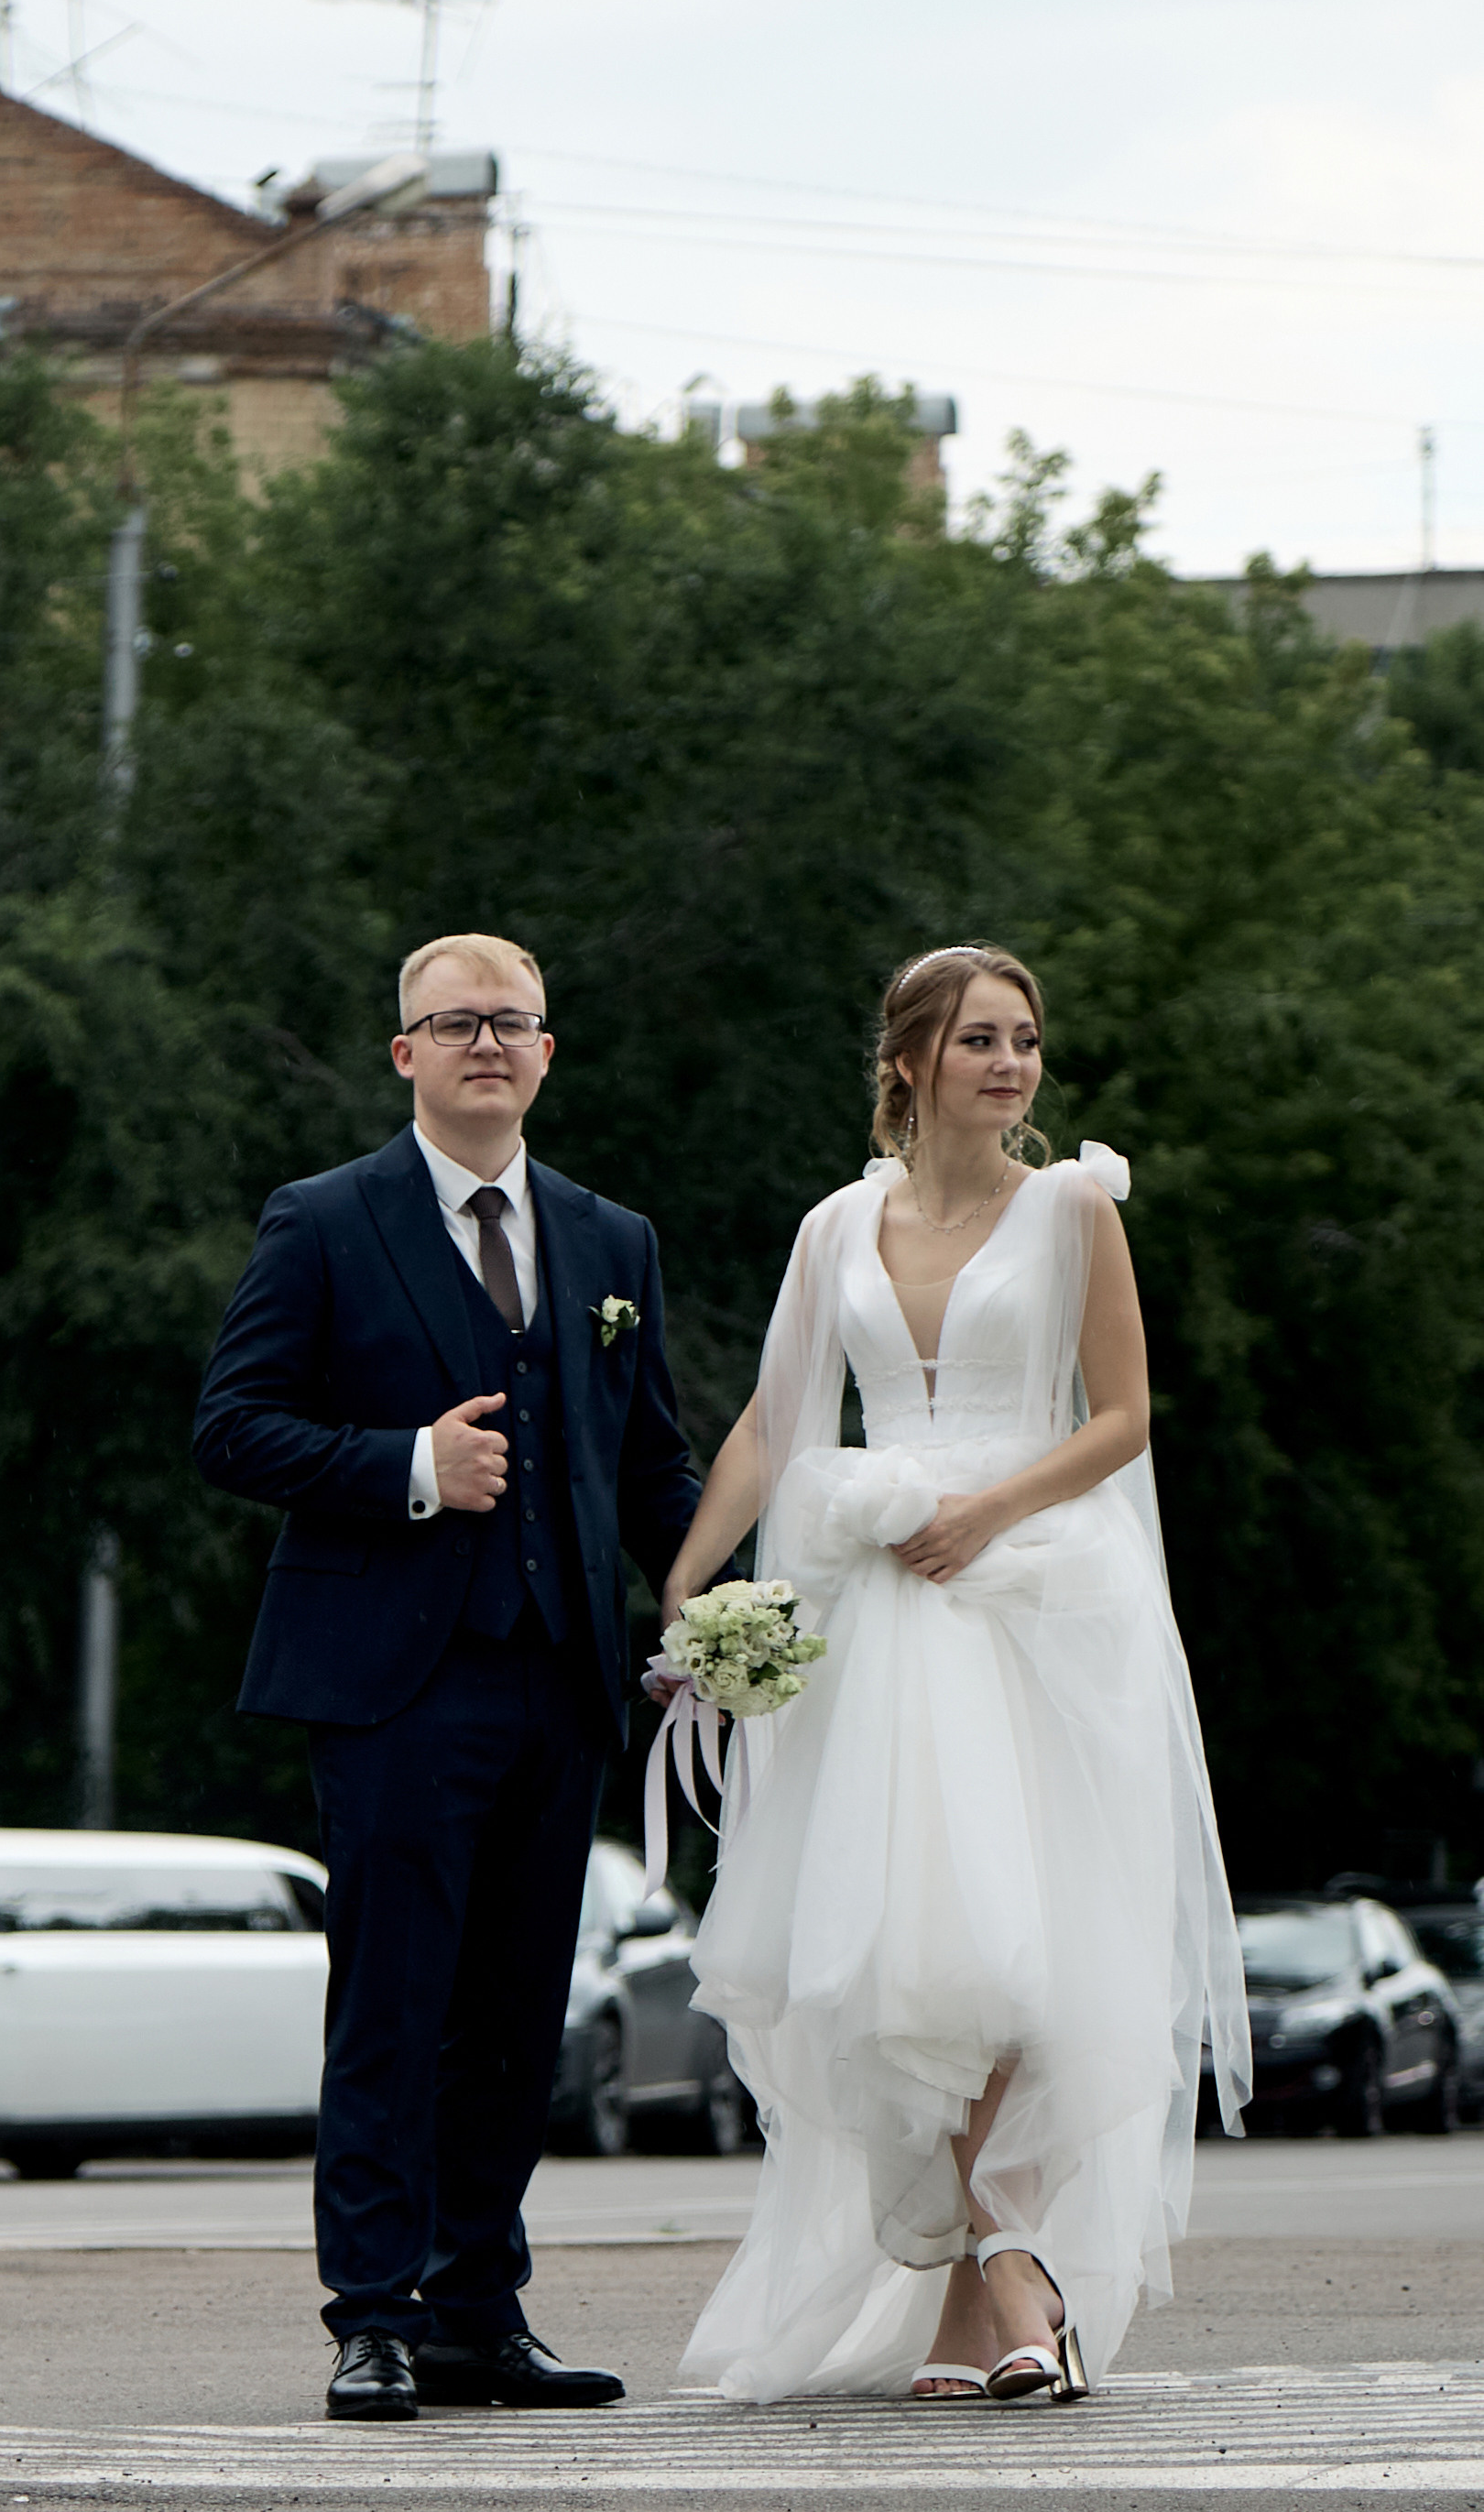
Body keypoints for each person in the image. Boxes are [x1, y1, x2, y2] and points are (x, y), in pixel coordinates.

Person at [659, 943, 1249, 2405]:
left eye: (1025, 1040)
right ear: (910, 1059)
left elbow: (1120, 1419)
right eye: (980, 1038)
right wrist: (688, 1580)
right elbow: (772, 1421)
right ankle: (980, 2297)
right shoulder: (832, 1227)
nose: (1011, 1063)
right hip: (874, 1609)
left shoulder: (1070, 1210)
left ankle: (1001, 2274)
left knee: (1009, 1951)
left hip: (1032, 1596)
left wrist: (984, 1512)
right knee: (897, 1963)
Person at [194, 933, 703, 2419]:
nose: (485, 1043)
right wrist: (407, 1467)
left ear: (548, 1054)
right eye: (453, 1022)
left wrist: (714, 1608)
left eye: (512, 1021)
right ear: (403, 1053)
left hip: (561, 1677)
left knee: (516, 2014)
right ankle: (373, 2312)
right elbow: (233, 1427)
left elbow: (654, 1456)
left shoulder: (613, 1240)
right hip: (394, 1680)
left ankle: (481, 2307)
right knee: (395, 2005)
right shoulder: (324, 1220)